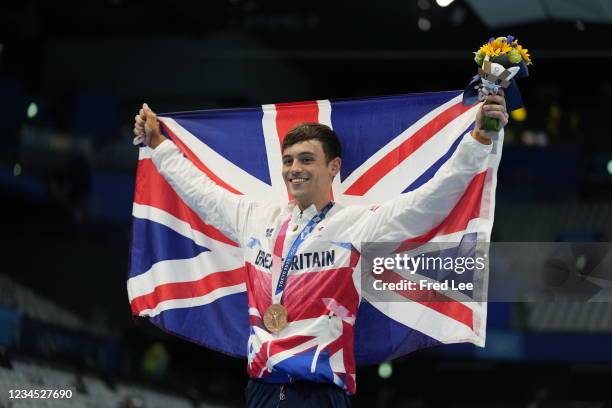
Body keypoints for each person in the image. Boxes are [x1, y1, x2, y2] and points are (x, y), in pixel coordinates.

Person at [132, 93, 508, 407]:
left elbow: (431, 201)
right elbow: (200, 192)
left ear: (334, 167)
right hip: (260, 390)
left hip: (321, 393)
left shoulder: (356, 224)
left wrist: (476, 142)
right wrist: (158, 144)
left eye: (306, 160)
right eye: (289, 160)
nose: (294, 169)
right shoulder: (255, 218)